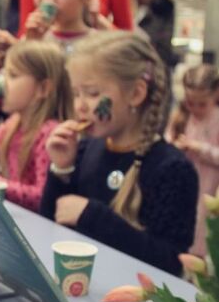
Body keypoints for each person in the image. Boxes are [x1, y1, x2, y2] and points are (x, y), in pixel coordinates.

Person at [41, 32, 198, 276]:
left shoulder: (172, 169)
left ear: (136, 94)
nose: (80, 105)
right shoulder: (85, 149)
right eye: (76, 93)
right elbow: (51, 227)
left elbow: (171, 262)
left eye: (92, 94)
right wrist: (61, 169)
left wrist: (92, 216)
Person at [0, 41, 72, 211]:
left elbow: (43, 197)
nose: (2, 83)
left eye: (12, 75)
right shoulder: (14, 124)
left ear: (43, 88)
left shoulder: (50, 132)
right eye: (3, 73)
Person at [167, 65, 219, 258]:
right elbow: (167, 141)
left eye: (202, 104)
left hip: (210, 190)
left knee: (204, 237)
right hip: (182, 186)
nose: (195, 109)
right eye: (191, 103)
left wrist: (200, 148)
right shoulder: (181, 116)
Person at [130, 0, 176, 72]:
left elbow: (164, 47)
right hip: (130, 66)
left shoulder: (165, 9)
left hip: (154, 68)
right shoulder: (127, 5)